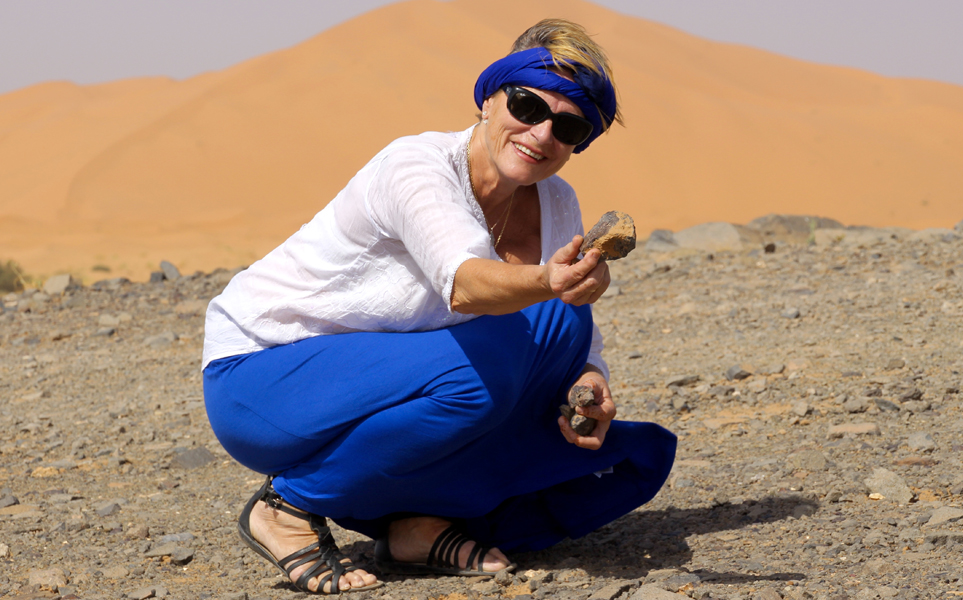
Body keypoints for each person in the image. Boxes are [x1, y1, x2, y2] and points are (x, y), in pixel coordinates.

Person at [202, 18, 677, 594]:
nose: (542, 133)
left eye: (569, 125)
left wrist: (587, 376)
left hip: (388, 379)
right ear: (489, 98)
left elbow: (568, 321)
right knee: (490, 365)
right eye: (527, 105)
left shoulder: (556, 200)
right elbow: (466, 286)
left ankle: (414, 525)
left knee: (628, 449)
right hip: (262, 379)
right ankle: (287, 506)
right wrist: (552, 281)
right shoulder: (417, 167)